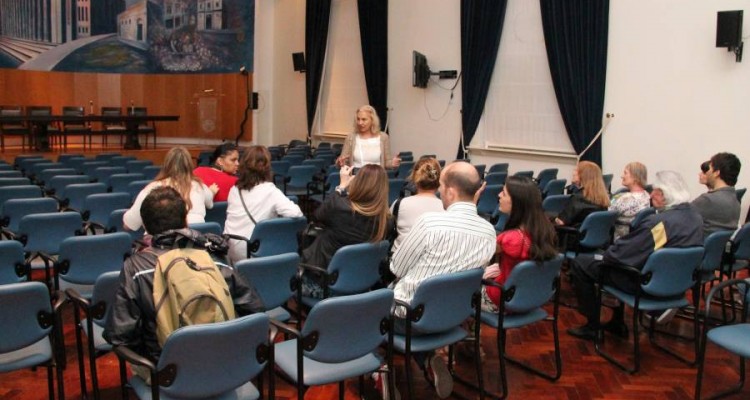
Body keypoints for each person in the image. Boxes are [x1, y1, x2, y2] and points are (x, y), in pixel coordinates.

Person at [104, 186, 263, 376]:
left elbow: (120, 335)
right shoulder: (214, 256)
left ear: (146, 227)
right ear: (185, 220)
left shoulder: (135, 267)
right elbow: (254, 309)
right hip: (223, 365)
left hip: (167, 374)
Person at [389, 161, 496, 399]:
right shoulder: (489, 231)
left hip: (410, 318)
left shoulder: (430, 223)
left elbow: (396, 267)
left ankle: (381, 375)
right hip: (454, 316)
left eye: (441, 187)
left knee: (369, 314)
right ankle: (427, 358)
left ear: (449, 191)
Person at [567, 171, 703, 341]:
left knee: (581, 263)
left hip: (646, 284)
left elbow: (622, 255)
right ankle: (617, 322)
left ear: (666, 195)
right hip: (677, 283)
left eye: (655, 191)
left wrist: (606, 254)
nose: (651, 194)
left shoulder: (659, 224)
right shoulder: (695, 216)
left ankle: (593, 326)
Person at [300, 164, 393, 298]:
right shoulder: (387, 222)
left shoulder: (340, 207)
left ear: (358, 182)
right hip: (362, 285)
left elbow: (317, 215)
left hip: (324, 286)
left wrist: (342, 186)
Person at [481, 176, 559, 312]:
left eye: (504, 193)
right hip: (530, 297)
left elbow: (478, 255)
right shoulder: (546, 230)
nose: (499, 195)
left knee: (461, 290)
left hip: (500, 300)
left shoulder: (510, 239)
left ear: (517, 203)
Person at [224, 145, 303, 263]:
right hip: (254, 249)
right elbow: (296, 213)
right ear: (267, 167)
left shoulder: (234, 190)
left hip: (230, 247)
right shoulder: (270, 191)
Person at [124, 146, 215, 232]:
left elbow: (130, 224)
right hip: (195, 243)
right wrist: (212, 191)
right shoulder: (199, 186)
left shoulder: (152, 188)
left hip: (160, 245)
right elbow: (210, 204)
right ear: (189, 165)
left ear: (166, 165)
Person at [390, 157, 444, 254]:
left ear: (414, 177)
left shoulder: (400, 204)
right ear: (439, 179)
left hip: (398, 261)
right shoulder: (446, 208)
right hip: (431, 263)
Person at [691, 152, 742, 237]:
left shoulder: (708, 200)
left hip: (698, 247)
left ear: (716, 173)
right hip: (717, 249)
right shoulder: (735, 199)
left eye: (709, 168)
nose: (706, 172)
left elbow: (679, 216)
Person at [336, 105, 401, 169]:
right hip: (356, 177)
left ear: (372, 120)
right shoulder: (351, 138)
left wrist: (392, 163)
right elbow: (342, 161)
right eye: (358, 119)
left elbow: (387, 163)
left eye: (364, 119)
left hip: (377, 177)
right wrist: (340, 163)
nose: (360, 123)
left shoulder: (383, 137)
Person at [555, 161, 610, 227]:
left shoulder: (579, 197)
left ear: (583, 175)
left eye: (576, 171)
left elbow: (561, 221)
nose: (573, 173)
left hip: (576, 235)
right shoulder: (603, 198)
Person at [609, 162, 650, 240]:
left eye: (625, 173)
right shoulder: (646, 195)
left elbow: (607, 213)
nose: (622, 176)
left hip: (621, 241)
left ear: (635, 177)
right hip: (637, 238)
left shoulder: (626, 199)